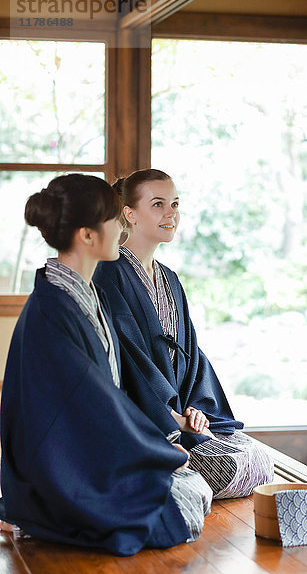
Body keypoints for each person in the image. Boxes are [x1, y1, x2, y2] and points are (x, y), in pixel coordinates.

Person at [0, 173, 212, 555]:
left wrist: (166, 439)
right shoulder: (54, 308)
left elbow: (106, 397)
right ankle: (40, 513)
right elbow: (93, 404)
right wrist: (159, 451)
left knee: (190, 488)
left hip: (85, 448)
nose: (121, 229)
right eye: (114, 220)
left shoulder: (78, 292)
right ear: (87, 235)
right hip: (60, 462)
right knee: (180, 504)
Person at [93, 169, 274, 499]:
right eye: (158, 204)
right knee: (225, 469)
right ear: (129, 214)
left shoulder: (170, 278)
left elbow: (191, 354)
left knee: (258, 462)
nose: (171, 214)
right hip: (145, 415)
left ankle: (185, 456)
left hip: (180, 409)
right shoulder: (109, 272)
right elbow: (127, 359)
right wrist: (172, 417)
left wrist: (195, 409)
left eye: (175, 204)